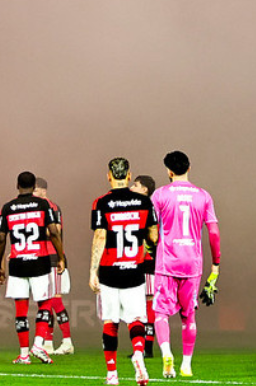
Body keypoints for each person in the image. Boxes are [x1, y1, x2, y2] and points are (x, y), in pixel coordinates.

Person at [151, 151, 221, 379]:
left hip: (167, 261)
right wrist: (216, 265)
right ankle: (187, 365)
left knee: (161, 313)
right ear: (189, 168)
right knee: (188, 316)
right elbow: (213, 232)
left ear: (168, 171)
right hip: (192, 263)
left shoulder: (160, 195)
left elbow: (151, 230)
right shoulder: (203, 196)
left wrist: (151, 246)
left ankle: (166, 353)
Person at [89, 158, 159, 386]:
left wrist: (93, 271)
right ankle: (138, 353)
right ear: (129, 176)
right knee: (136, 319)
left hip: (110, 270)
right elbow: (154, 236)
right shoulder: (144, 202)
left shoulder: (101, 202)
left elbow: (99, 236)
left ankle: (112, 374)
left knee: (110, 321)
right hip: (134, 269)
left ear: (108, 176)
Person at [0, 171, 65, 365]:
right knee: (45, 303)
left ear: (17, 185)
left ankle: (24, 354)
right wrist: (60, 257)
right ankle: (38, 344)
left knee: (21, 309)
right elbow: (53, 232)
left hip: (18, 263)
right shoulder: (43, 205)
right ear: (34, 187)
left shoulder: (7, 208)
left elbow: (0, 238)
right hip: (40, 261)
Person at [32, 177, 74, 355]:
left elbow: (54, 230)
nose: (33, 194)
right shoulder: (34, 208)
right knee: (44, 301)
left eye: (35, 191)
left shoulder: (51, 207)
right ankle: (48, 342)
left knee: (55, 300)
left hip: (53, 258)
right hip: (39, 258)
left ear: (43, 191)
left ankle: (67, 341)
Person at [130, 174, 158, 358]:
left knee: (148, 304)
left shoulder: (149, 208)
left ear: (145, 190)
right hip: (135, 263)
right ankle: (141, 346)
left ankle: (147, 347)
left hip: (148, 263)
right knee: (138, 305)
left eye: (136, 185)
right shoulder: (135, 206)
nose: (132, 187)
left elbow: (154, 237)